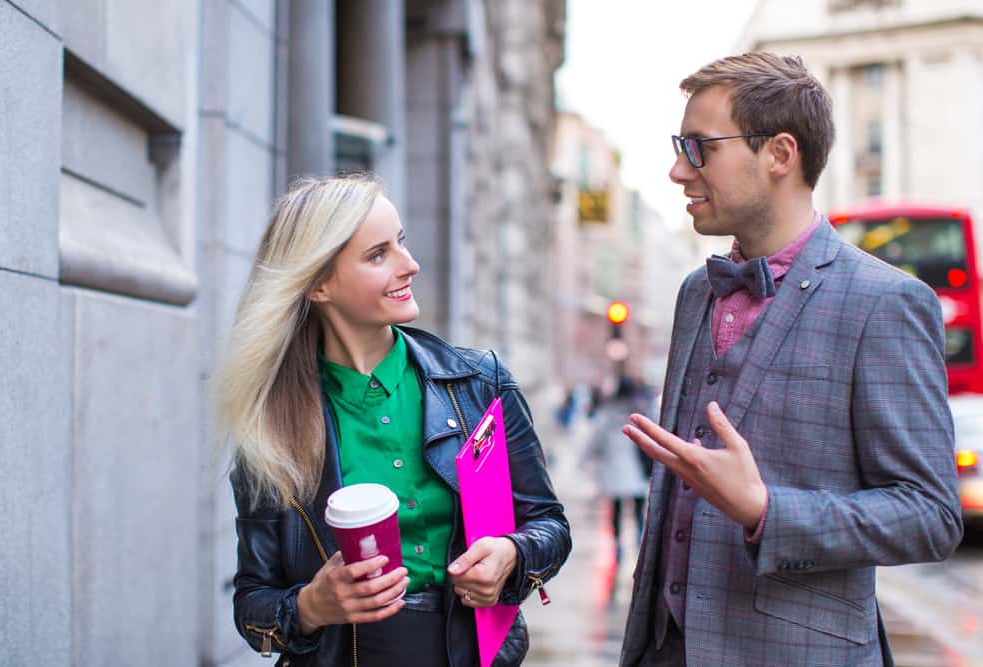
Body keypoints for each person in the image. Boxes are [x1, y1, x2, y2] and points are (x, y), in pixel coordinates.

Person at [619, 52, 962, 667]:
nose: (677, 170)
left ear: (779, 154)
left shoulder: (886, 302)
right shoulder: (697, 292)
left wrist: (768, 512)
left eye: (700, 148)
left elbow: (930, 515)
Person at [214, 174, 571, 667]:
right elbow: (252, 608)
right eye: (378, 254)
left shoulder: (480, 383)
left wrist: (512, 554)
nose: (411, 265)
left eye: (400, 242)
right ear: (318, 283)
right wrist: (311, 606)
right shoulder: (271, 427)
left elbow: (550, 526)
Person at [584, 376, 652, 563]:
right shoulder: (642, 412)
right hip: (637, 470)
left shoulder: (606, 414)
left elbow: (594, 441)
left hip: (614, 472)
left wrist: (587, 460)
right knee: (639, 508)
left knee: (617, 509)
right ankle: (640, 540)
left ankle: (618, 545)